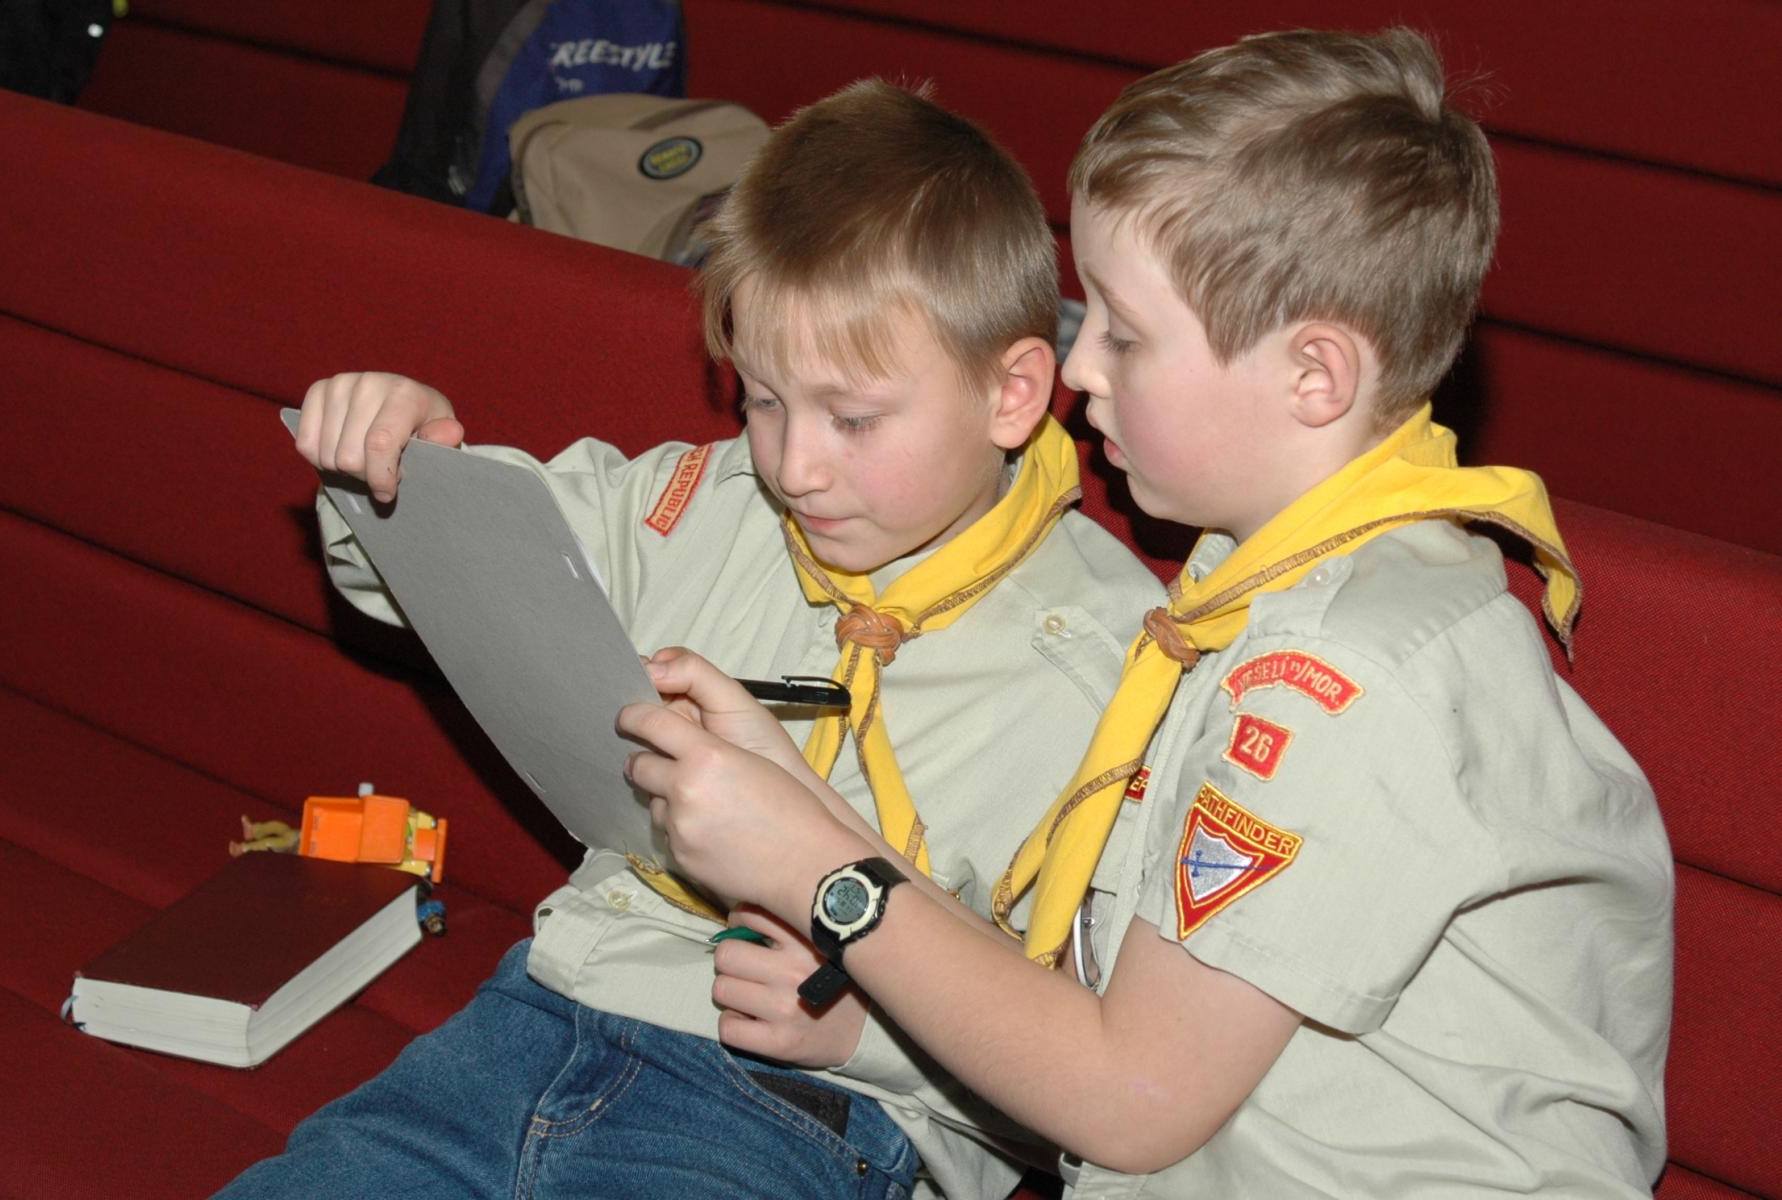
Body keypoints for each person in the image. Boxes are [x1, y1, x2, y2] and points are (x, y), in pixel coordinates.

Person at [621, 29, 1674, 1198]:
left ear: (1314, 377)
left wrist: (816, 863)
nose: (1081, 372)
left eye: (1125, 332)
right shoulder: (1253, 587)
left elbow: (1132, 1099)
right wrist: (794, 804)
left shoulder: (1344, 674)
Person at [217, 79, 1161, 1200]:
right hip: (540, 1014)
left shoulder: (1111, 663)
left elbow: (1115, 1074)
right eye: (762, 400)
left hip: (802, 1101)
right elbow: (477, 566)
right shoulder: (699, 502)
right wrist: (398, 468)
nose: (794, 466)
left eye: (853, 418)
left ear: (1012, 394)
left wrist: (870, 1034)